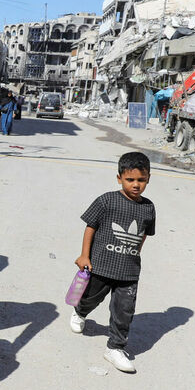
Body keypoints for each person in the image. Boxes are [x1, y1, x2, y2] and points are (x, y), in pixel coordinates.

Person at [70, 151, 156, 373]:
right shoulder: (107, 200)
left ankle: (115, 348)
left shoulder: (149, 208)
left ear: (148, 178)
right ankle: (80, 312)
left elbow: (143, 234)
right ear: (119, 178)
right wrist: (84, 256)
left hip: (128, 271)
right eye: (130, 180)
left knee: (124, 310)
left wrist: (134, 253)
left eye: (141, 180)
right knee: (90, 298)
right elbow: (91, 226)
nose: (136, 185)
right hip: (101, 265)